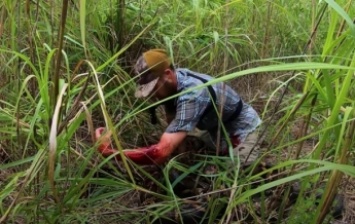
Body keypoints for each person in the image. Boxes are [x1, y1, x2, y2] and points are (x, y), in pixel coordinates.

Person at [95, 49, 262, 165]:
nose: (152, 95)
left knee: (235, 176)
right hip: (214, 128)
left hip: (242, 129)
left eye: (153, 88)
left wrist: (111, 153)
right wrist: (179, 155)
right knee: (190, 148)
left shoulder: (193, 94)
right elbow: (171, 119)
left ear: (167, 74)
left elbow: (160, 153)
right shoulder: (173, 82)